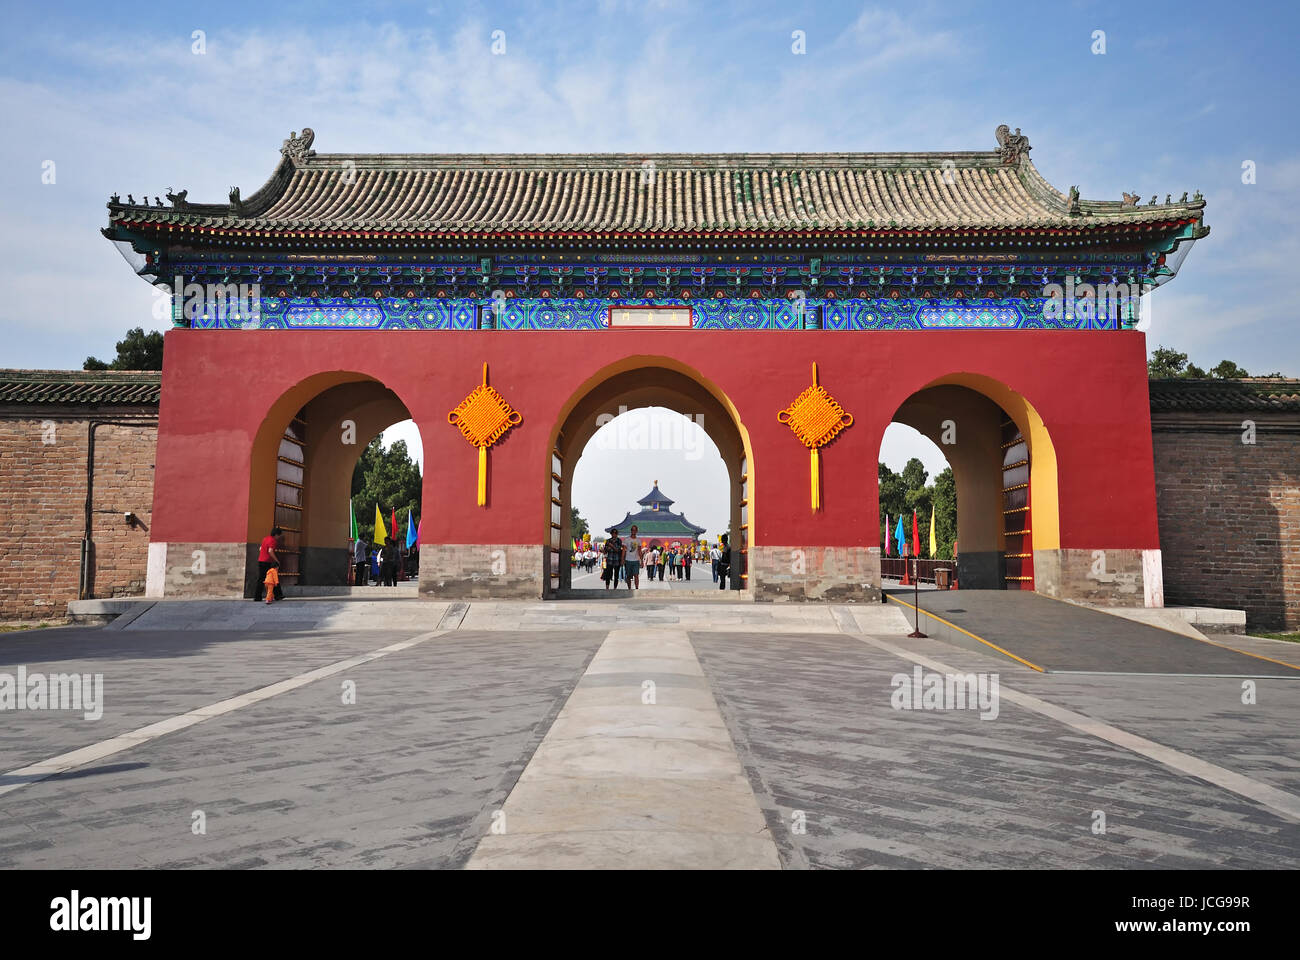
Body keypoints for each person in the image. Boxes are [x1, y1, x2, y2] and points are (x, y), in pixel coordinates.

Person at [255, 526, 284, 601]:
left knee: (261, 579)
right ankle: (278, 595)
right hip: (267, 562)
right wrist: (277, 560)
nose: (279, 537)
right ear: (276, 534)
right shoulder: (273, 541)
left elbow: (260, 549)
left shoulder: (265, 539)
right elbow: (270, 551)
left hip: (261, 560)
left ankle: (257, 596)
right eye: (279, 536)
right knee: (273, 577)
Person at [624, 525, 641, 590]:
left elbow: (639, 551)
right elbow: (624, 550)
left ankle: (636, 588)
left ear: (637, 531)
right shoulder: (627, 539)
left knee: (636, 575)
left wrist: (641, 560)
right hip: (628, 560)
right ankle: (629, 588)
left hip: (636, 560)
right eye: (632, 530)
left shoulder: (638, 540)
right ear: (631, 531)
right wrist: (623, 559)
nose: (633, 531)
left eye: (635, 530)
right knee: (628, 576)